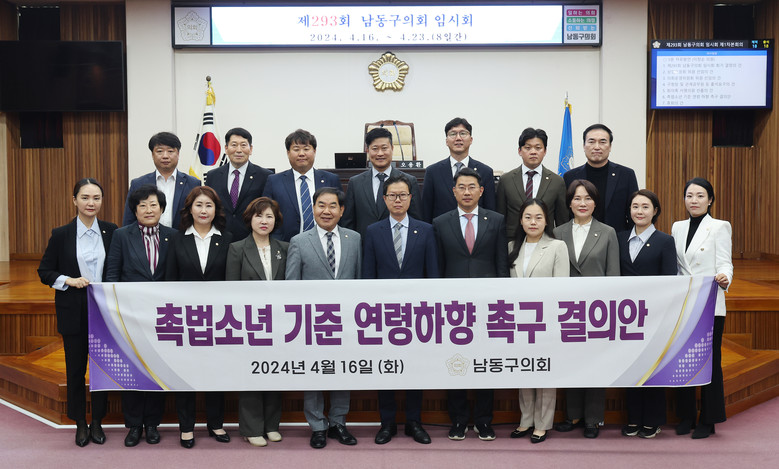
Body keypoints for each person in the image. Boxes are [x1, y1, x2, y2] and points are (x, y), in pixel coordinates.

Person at [38, 178, 117, 447]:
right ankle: (80, 422)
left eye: (96, 198)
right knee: (75, 370)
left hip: (104, 313)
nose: (90, 203)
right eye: (85, 197)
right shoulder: (61, 234)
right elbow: (45, 271)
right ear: (74, 200)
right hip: (73, 311)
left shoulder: (111, 231)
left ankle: (98, 421)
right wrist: (68, 280)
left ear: (102, 201)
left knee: (102, 370)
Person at [432, 167, 509, 441]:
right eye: (461, 187)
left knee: (486, 362)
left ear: (481, 190)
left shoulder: (496, 220)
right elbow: (438, 266)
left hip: (488, 305)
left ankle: (484, 421)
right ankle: (458, 420)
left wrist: (502, 298)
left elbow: (501, 263)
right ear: (454, 191)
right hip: (452, 307)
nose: (467, 192)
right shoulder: (440, 223)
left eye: (472, 187)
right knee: (456, 362)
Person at [362, 174, 438, 445]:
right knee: (386, 368)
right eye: (392, 195)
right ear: (384, 199)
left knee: (415, 368)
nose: (397, 200)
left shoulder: (425, 230)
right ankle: (387, 423)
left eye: (403, 195)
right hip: (383, 315)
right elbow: (368, 275)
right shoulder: (373, 231)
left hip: (418, 316)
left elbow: (433, 275)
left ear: (410, 198)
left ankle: (414, 422)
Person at [286, 187, 361, 449]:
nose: (326, 211)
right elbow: (291, 285)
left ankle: (339, 422)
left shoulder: (354, 239)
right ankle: (317, 425)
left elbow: (360, 281)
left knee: (342, 371)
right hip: (311, 323)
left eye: (332, 206)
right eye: (321, 205)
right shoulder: (299, 241)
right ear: (313, 208)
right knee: (314, 373)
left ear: (342, 210)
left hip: (346, 322)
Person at [106, 184, 177, 447]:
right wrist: (115, 310)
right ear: (134, 210)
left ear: (162, 209)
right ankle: (134, 425)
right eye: (142, 205)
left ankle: (153, 424)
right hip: (130, 316)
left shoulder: (173, 236)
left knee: (157, 370)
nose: (148, 210)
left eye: (153, 205)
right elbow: (112, 274)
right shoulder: (121, 236)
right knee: (133, 370)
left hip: (163, 317)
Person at [165, 186, 233, 448]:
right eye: (199, 205)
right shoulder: (177, 239)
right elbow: (170, 280)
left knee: (216, 372)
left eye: (209, 205)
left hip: (220, 319)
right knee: (185, 373)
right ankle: (186, 427)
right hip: (185, 318)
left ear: (216, 210)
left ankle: (215, 423)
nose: (204, 210)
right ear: (189, 209)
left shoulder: (227, 239)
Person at [553, 179, 619, 438]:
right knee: (571, 362)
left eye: (588, 198)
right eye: (577, 198)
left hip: (598, 311)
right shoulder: (557, 232)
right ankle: (573, 415)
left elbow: (613, 274)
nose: (582, 203)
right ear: (569, 203)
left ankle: (593, 419)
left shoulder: (608, 232)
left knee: (595, 364)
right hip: (567, 311)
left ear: (595, 203)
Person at [671, 177, 733, 439]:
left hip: (709, 304)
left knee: (710, 362)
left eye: (700, 196)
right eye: (689, 196)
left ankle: (709, 419)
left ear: (710, 200)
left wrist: (725, 277)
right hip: (684, 305)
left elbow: (725, 262)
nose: (693, 200)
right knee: (683, 360)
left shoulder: (719, 227)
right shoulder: (677, 227)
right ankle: (686, 416)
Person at [226, 197, 288, 448]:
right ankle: (252, 428)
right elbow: (231, 291)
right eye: (259, 216)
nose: (264, 221)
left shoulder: (285, 247)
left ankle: (271, 425)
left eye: (269, 216)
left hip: (280, 323)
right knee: (251, 373)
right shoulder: (237, 248)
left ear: (276, 221)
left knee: (274, 371)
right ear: (249, 219)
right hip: (249, 323)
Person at [507, 198, 569, 444]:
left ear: (547, 221)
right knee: (524, 367)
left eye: (538, 217)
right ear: (521, 220)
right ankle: (526, 419)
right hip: (517, 321)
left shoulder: (557, 246)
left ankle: (542, 423)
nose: (533, 222)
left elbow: (562, 288)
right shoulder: (512, 246)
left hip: (546, 320)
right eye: (528, 217)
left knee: (543, 370)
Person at [617, 189, 676, 439]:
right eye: (635, 206)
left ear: (655, 211)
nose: (639, 211)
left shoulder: (665, 241)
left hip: (654, 315)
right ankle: (633, 418)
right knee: (631, 367)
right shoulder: (620, 238)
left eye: (645, 207)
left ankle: (653, 420)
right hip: (625, 317)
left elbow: (670, 280)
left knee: (652, 368)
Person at [262, 129, 341, 242]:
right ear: (288, 152)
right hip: (285, 244)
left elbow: (340, 213)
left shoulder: (331, 179)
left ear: (314, 151)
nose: (301, 153)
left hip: (324, 243)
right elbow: (266, 214)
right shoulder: (274, 181)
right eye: (296, 149)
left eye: (306, 149)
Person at [341, 127, 421, 236]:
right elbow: (348, 222)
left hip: (398, 242)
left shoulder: (409, 181)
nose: (380, 153)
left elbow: (417, 220)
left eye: (384, 148)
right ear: (368, 151)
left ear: (392, 148)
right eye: (375, 149)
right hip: (365, 244)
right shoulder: (355, 183)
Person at [563, 124, 638, 232]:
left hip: (616, 238)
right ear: (584, 146)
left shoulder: (626, 175)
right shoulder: (570, 177)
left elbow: (633, 212)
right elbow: (566, 214)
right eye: (591, 142)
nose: (597, 147)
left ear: (610, 146)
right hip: (579, 237)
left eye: (602, 142)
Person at [497, 127, 568, 239]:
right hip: (513, 242)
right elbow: (500, 218)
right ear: (519, 151)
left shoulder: (557, 182)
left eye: (538, 148)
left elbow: (562, 222)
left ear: (545, 151)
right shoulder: (506, 180)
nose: (533, 152)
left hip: (546, 242)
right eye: (528, 148)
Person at [204, 127, 273, 241]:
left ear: (250, 149)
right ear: (226, 149)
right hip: (219, 239)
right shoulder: (213, 176)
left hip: (252, 240)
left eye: (243, 145)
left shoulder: (265, 176)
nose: (239, 150)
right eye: (234, 145)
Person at [422, 117, 496, 222]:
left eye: (463, 133)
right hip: (442, 231)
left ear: (471, 140)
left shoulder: (485, 172)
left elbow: (490, 211)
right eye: (453, 134)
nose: (458, 138)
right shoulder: (432, 172)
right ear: (446, 141)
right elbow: (426, 211)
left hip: (475, 230)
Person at [122, 131, 200, 228]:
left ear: (178, 154)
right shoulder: (138, 184)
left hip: (182, 236)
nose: (165, 156)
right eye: (159, 151)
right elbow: (129, 220)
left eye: (170, 151)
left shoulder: (193, 183)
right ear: (152, 155)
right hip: (147, 236)